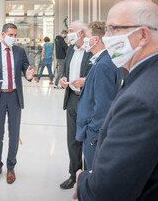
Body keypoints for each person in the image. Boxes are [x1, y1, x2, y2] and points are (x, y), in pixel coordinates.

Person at [74, 0, 158, 200]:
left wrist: (83, 181)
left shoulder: (141, 101)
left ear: (142, 35)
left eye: (112, 29)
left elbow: (105, 193)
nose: (106, 38)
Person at [0, 23, 34, 184]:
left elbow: (26, 70)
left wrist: (29, 75)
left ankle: (11, 166)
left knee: (14, 133)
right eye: (11, 34)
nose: (13, 38)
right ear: (2, 35)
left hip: (14, 97)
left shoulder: (20, 51)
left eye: (15, 35)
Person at [75, 21, 123, 170]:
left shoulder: (103, 65)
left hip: (96, 134)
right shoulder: (109, 59)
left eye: (87, 36)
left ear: (95, 39)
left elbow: (103, 105)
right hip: (98, 131)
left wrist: (92, 132)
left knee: (93, 170)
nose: (84, 40)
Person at [59, 20, 93, 190]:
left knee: (88, 140)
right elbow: (66, 70)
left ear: (81, 33)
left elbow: (99, 74)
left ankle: (88, 177)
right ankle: (74, 175)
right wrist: (63, 79)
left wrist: (85, 81)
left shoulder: (92, 50)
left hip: (87, 99)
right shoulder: (71, 49)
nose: (68, 33)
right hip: (72, 97)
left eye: (71, 30)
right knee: (72, 139)